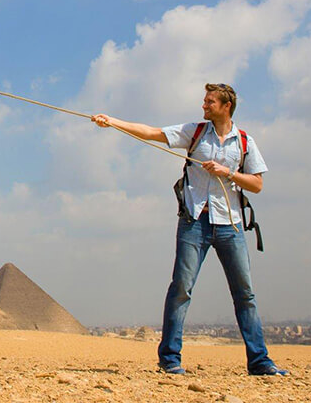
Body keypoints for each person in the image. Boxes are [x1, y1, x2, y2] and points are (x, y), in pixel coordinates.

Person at [92, 83, 288, 377]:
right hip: (194, 222)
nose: (203, 105)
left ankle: (259, 362)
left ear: (226, 106)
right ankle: (170, 360)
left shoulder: (244, 142)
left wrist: (228, 173)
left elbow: (257, 184)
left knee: (245, 294)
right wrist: (112, 122)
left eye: (210, 101)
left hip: (230, 225)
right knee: (181, 289)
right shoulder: (195, 132)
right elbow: (151, 132)